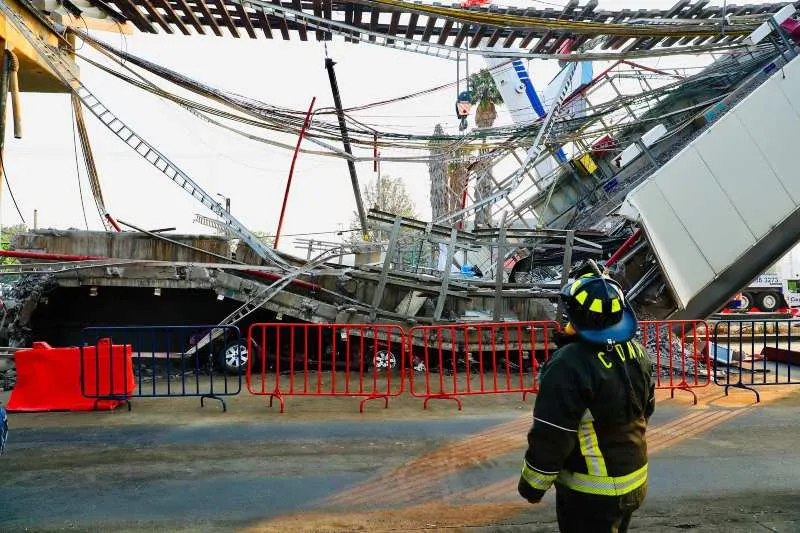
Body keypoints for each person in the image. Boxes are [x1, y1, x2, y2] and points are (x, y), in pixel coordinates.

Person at [518, 273, 655, 533]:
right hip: (634, 482)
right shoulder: (637, 352)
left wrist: (532, 485)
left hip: (592, 494)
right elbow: (646, 409)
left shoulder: (569, 363)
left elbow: (553, 435)